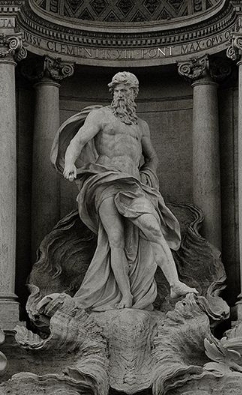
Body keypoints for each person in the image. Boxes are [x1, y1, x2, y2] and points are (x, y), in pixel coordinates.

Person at [51, 71, 196, 311]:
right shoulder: (101, 116)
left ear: (133, 94)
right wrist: (69, 164)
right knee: (115, 239)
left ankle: (175, 284)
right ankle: (125, 297)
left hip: (133, 185)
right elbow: (77, 142)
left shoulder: (141, 126)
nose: (119, 94)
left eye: (124, 90)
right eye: (116, 90)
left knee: (153, 228)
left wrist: (148, 174)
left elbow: (152, 157)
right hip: (105, 181)